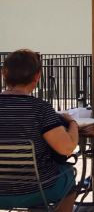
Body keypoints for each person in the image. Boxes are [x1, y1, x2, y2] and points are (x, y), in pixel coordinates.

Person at [0, 50, 78, 212]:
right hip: (38, 189)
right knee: (68, 174)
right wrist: (73, 123)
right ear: (37, 76)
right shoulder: (40, 109)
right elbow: (67, 148)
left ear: (4, 74)